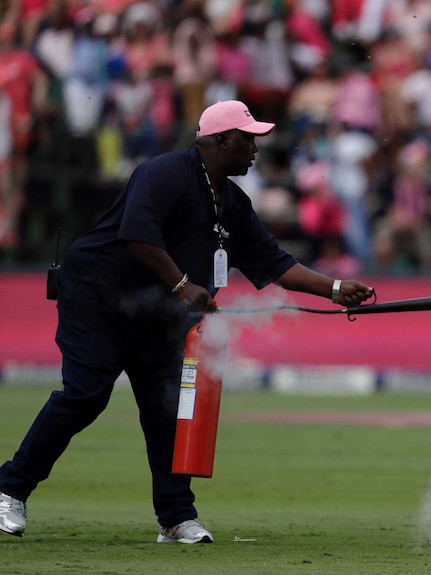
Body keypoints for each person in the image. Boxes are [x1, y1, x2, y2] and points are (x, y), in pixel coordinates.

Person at [0, 100, 374, 543]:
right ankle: (9, 489)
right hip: (96, 299)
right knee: (85, 395)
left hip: (156, 315)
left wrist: (334, 289)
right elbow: (138, 234)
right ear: (220, 141)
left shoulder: (233, 202)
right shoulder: (161, 173)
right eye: (248, 138)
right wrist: (181, 285)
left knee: (165, 410)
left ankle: (175, 517)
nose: (256, 148)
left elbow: (275, 263)